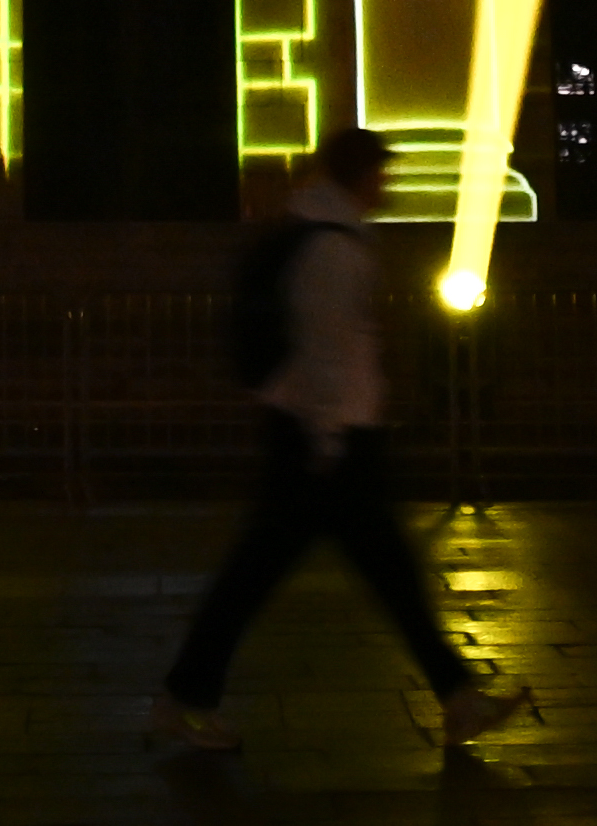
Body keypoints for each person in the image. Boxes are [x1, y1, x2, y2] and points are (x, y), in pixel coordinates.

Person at [155, 128, 530, 755]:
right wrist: (329, 441)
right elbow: (326, 349)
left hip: (320, 437)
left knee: (353, 574)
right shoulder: (334, 248)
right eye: (382, 172)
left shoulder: (321, 233)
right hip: (327, 444)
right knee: (287, 576)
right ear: (359, 176)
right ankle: (184, 699)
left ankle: (458, 698)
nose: (388, 183)